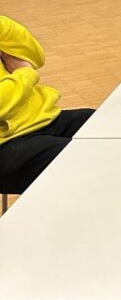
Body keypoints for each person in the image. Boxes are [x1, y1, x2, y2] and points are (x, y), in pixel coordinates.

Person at [0, 16, 94, 194]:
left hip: (42, 119)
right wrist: (24, 72)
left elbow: (36, 56)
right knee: (88, 159)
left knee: (113, 128)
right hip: (6, 144)